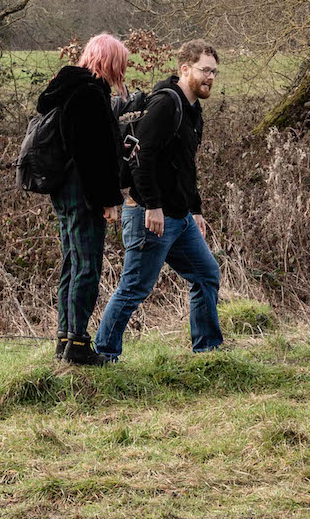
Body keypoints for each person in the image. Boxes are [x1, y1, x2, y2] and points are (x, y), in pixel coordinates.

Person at [93, 40, 224, 360]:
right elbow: (140, 155)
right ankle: (104, 354)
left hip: (179, 219)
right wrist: (152, 204)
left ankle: (207, 350)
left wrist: (195, 210)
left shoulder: (193, 111)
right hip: (149, 215)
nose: (210, 77)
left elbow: (185, 165)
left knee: (207, 274)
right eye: (205, 70)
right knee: (134, 287)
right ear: (185, 69)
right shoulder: (167, 104)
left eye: (214, 72)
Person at [34, 34, 133, 366]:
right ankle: (77, 343)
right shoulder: (90, 93)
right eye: (121, 62)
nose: (123, 69)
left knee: (71, 265)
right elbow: (93, 155)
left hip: (64, 191)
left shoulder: (68, 90)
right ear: (108, 62)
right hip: (83, 193)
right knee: (87, 266)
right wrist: (108, 200)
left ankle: (65, 340)